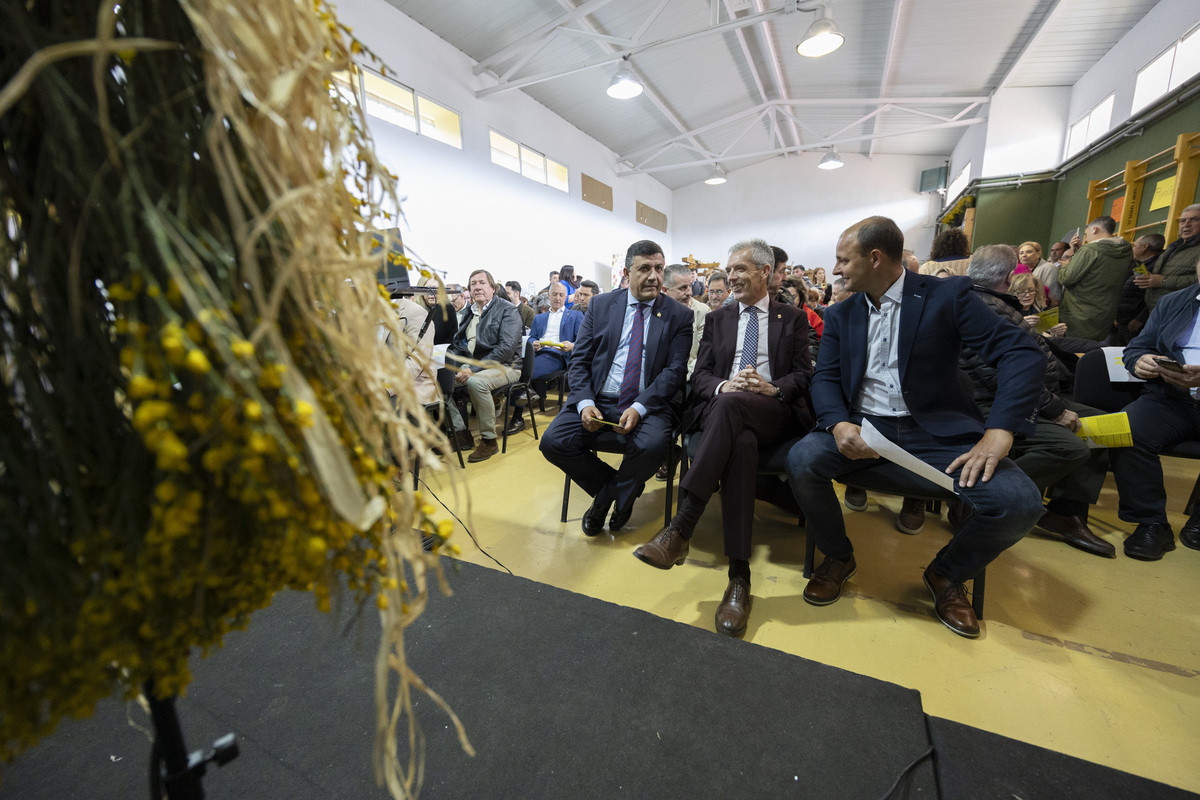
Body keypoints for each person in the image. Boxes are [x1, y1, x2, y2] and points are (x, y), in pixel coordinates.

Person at [785, 216, 1046, 639]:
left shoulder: (948, 296)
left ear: (874, 258)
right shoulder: (841, 314)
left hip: (935, 434)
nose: (835, 271)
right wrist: (837, 424)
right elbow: (826, 378)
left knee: (1019, 503)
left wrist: (1001, 430)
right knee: (802, 461)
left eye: (842, 260)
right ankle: (837, 556)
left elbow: (1021, 353)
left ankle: (946, 574)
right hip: (864, 428)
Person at [634, 238, 814, 638]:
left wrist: (770, 389)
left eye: (740, 270)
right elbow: (699, 378)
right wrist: (725, 385)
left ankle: (682, 525)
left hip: (773, 411)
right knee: (741, 440)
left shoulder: (793, 318)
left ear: (765, 273)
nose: (730, 277)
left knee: (738, 410)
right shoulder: (719, 319)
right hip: (726, 410)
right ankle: (739, 578)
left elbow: (804, 375)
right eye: (729, 270)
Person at [962, 245, 1114, 557]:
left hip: (1033, 394)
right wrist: (1055, 409)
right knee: (1071, 446)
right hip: (997, 400)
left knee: (1106, 427)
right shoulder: (984, 308)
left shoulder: (995, 303)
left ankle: (1065, 512)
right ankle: (981, 496)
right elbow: (1000, 375)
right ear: (1008, 277)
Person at [539, 240, 693, 536]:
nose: (654, 276)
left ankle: (605, 503)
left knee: (651, 445)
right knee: (553, 442)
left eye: (659, 269)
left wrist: (639, 407)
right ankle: (617, 492)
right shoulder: (601, 305)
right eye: (644, 268)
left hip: (648, 403)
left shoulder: (679, 315)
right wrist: (584, 403)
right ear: (626, 271)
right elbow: (580, 360)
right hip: (598, 397)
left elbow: (675, 372)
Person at [1110, 252, 1200, 560]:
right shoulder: (1174, 301)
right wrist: (1140, 362)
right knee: (1125, 431)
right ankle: (1152, 523)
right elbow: (1138, 346)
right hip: (1170, 396)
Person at [446, 269, 523, 463]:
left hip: (507, 365)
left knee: (476, 383)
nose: (477, 287)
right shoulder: (469, 313)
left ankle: (489, 441)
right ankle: (461, 434)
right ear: (469, 290)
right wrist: (449, 364)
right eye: (473, 284)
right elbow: (459, 345)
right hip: (474, 365)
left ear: (493, 288)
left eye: (482, 283)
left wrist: (473, 369)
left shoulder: (508, 310)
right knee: (439, 381)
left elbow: (505, 349)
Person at [508, 282, 584, 435]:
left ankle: (518, 417)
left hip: (558, 355)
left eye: (561, 295)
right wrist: (533, 342)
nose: (557, 298)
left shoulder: (575, 315)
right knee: (515, 367)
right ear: (549, 296)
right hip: (538, 353)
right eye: (554, 294)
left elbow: (582, 341)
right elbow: (532, 337)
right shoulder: (540, 318)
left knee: (524, 371)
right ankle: (526, 392)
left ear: (566, 297)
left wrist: (571, 346)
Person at [1059, 216, 1133, 341]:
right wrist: (1078, 252)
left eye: (1086, 233)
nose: (1086, 238)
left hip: (1080, 312)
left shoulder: (1089, 250)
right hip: (1106, 311)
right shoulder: (1126, 250)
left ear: (1095, 230)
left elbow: (1067, 278)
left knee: (1074, 351)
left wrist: (1066, 266)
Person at [1134, 204, 1200, 315]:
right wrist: (1151, 277)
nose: (1186, 225)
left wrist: (1163, 281)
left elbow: (1197, 280)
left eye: (1194, 220)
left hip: (1181, 311)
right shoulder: (1173, 247)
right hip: (1158, 310)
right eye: (1182, 221)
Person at [663, 263, 709, 378]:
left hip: (690, 376)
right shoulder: (654, 311)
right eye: (682, 288)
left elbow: (702, 354)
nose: (689, 292)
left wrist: (685, 376)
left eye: (690, 286)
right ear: (665, 290)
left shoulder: (702, 311)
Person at [1119, 233, 1166, 343]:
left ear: (1145, 247)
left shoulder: (1155, 267)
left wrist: (1141, 318)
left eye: (1135, 245)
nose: (1133, 249)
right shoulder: (1138, 264)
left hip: (1136, 322)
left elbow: (1152, 295)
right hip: (1125, 319)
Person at [1010, 272, 1066, 337]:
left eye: (1031, 290)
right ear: (1011, 293)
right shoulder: (1006, 314)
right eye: (1021, 292)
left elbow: (1059, 340)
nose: (1028, 295)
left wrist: (1059, 333)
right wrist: (1021, 325)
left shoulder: (1047, 312)